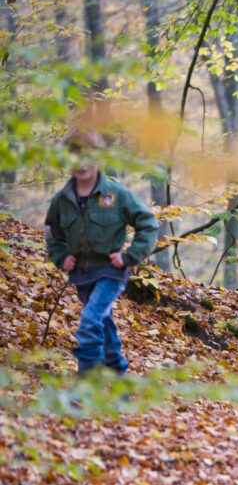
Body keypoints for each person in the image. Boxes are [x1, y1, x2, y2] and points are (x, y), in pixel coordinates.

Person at [44, 129, 158, 376]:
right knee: (103, 326)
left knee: (89, 322)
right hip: (82, 275)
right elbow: (52, 231)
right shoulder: (61, 200)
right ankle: (119, 378)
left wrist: (129, 257)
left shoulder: (117, 195)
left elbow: (148, 223)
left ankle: (87, 384)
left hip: (110, 273)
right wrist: (61, 256)